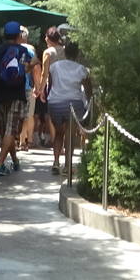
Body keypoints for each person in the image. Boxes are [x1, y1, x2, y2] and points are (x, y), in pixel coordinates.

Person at [0, 20, 31, 176]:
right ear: (19, 35)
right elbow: (32, 64)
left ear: (4, 35)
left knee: (7, 131)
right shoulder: (23, 51)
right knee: (10, 131)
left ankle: (15, 160)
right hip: (17, 95)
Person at [46, 40, 95, 176]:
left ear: (65, 52)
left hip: (55, 102)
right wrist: (90, 102)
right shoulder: (81, 69)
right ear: (77, 53)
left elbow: (50, 85)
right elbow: (88, 89)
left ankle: (56, 162)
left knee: (59, 133)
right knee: (70, 134)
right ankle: (67, 165)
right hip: (74, 103)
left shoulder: (55, 66)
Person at [35, 26, 62, 149]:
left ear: (49, 39)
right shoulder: (65, 50)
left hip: (52, 85)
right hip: (65, 84)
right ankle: (61, 142)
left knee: (50, 115)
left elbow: (44, 73)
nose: (45, 39)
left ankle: (55, 140)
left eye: (46, 37)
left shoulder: (48, 52)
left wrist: (40, 90)